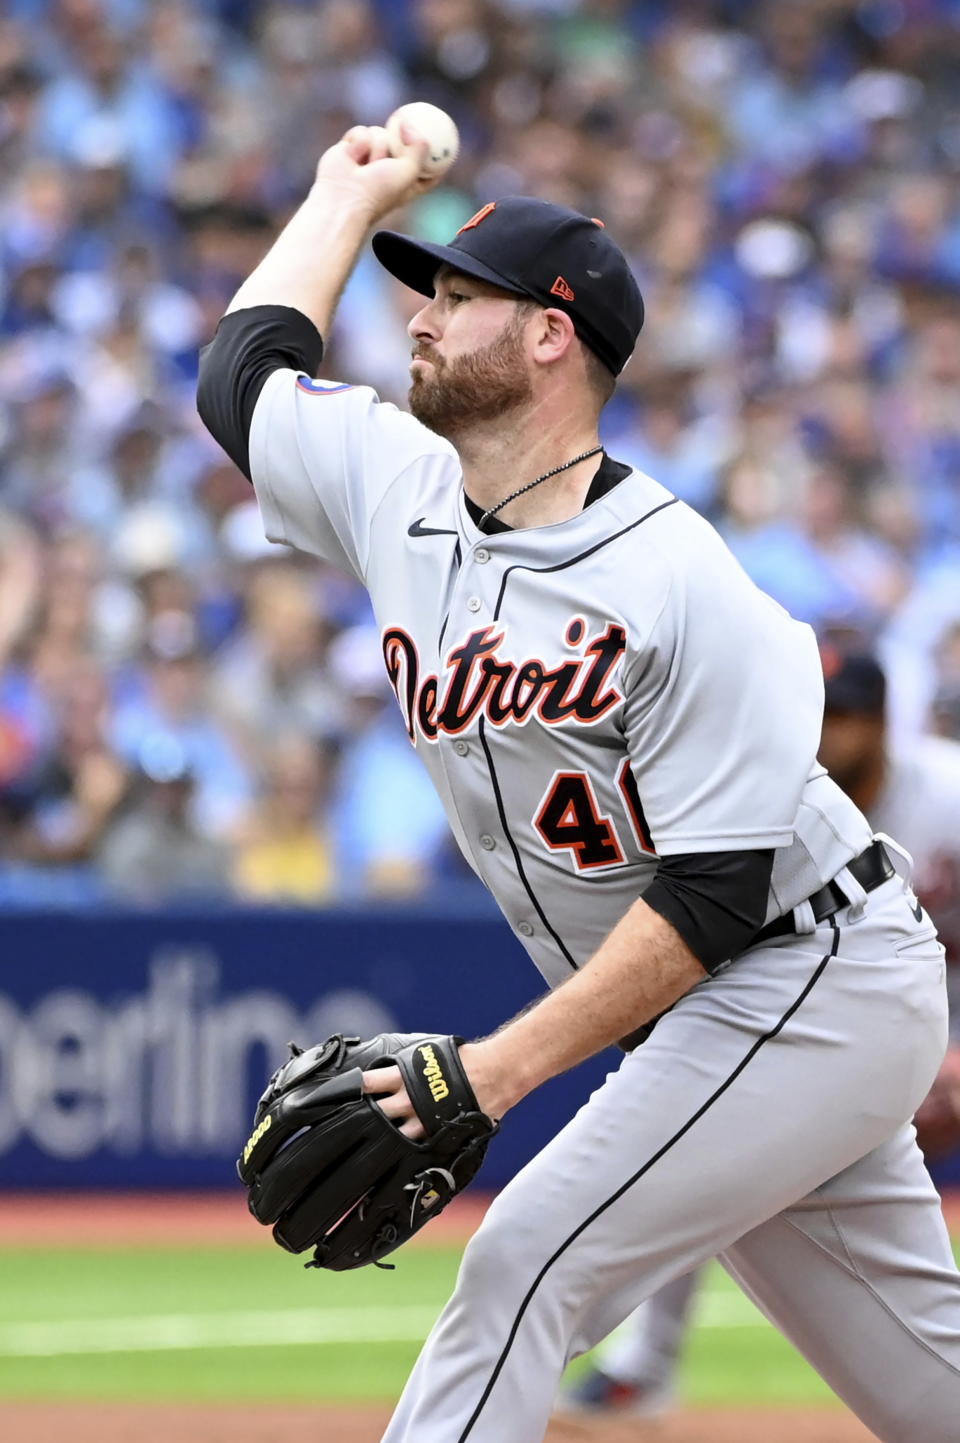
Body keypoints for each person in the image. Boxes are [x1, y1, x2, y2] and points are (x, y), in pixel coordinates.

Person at [196, 123, 960, 1443]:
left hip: (808, 969)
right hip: (723, 1011)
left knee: (522, 1266)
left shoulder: (679, 577)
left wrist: (491, 1072)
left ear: (553, 334)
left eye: (456, 295)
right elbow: (242, 377)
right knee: (928, 1386)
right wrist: (339, 191)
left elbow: (717, 891)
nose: (420, 318)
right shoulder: (397, 484)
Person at [558, 647, 960, 1424]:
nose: (825, 734)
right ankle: (646, 1366)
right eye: (817, 713)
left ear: (881, 722)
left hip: (938, 1008)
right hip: (846, 1019)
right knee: (704, 1120)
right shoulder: (764, 791)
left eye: (841, 716)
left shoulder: (948, 793)